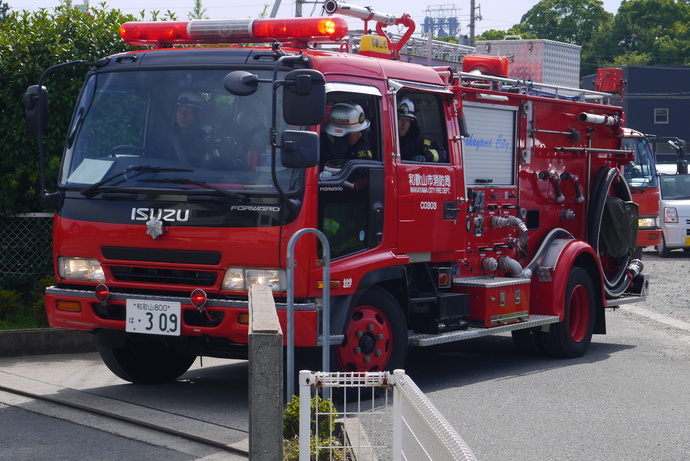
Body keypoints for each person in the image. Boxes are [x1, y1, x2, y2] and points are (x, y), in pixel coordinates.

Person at [160, 91, 212, 166]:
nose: (182, 115)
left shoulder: (204, 141)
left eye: (189, 111)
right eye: (179, 110)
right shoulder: (165, 138)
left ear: (198, 115)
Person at [397, 98, 447, 163]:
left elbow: (442, 154)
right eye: (400, 119)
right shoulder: (386, 140)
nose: (404, 124)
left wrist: (425, 155)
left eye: (407, 120)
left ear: (412, 123)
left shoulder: (420, 141)